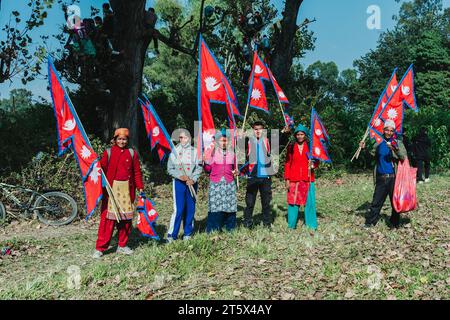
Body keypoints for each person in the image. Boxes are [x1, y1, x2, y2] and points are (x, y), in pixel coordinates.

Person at [93, 128, 144, 258]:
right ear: (115, 140)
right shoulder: (108, 152)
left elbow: (137, 172)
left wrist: (140, 186)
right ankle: (100, 248)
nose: (122, 141)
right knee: (108, 220)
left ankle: (122, 245)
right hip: (111, 191)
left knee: (126, 219)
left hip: (127, 190)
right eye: (119, 139)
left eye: (124, 139)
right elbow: (101, 170)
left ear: (127, 140)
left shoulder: (132, 153)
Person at [360, 119, 407, 229]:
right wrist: (364, 149)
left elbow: (403, 157)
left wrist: (394, 149)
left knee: (394, 202)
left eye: (391, 130)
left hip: (393, 178)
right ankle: (370, 223)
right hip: (381, 177)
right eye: (387, 130)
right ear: (384, 130)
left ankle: (395, 223)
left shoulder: (397, 142)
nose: (389, 132)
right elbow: (371, 157)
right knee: (376, 202)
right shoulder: (378, 142)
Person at [167, 129, 202, 242]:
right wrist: (180, 176)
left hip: (191, 183)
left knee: (190, 208)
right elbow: (170, 169)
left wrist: (193, 179)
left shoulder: (195, 151)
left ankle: (187, 233)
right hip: (179, 183)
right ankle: (172, 235)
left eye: (185, 137)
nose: (182, 140)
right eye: (180, 137)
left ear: (190, 139)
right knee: (179, 209)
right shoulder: (174, 151)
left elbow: (199, 167)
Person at [204, 129, 239, 233]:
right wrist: (205, 162)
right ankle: (214, 229)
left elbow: (236, 169)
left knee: (230, 205)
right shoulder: (212, 153)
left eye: (225, 140)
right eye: (221, 140)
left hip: (229, 183)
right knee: (215, 206)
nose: (223, 143)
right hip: (216, 183)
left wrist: (237, 172)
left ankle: (230, 228)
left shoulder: (232, 154)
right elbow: (208, 169)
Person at [284, 124, 318, 229]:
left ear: (305, 135)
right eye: (298, 134)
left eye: (302, 134)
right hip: (294, 179)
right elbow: (287, 163)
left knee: (309, 202)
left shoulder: (311, 147)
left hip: (307, 178)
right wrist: (287, 179)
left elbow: (316, 161)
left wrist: (312, 165)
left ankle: (311, 225)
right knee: (293, 202)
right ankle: (291, 225)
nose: (299, 136)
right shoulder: (291, 147)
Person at [241, 121, 274, 229]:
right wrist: (240, 136)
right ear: (252, 130)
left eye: (260, 129)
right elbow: (236, 144)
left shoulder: (268, 140)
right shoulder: (248, 141)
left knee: (266, 202)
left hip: (265, 176)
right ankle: (247, 223)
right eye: (255, 129)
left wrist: (286, 131)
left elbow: (282, 136)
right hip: (252, 175)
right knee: (250, 202)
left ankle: (267, 223)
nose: (258, 131)